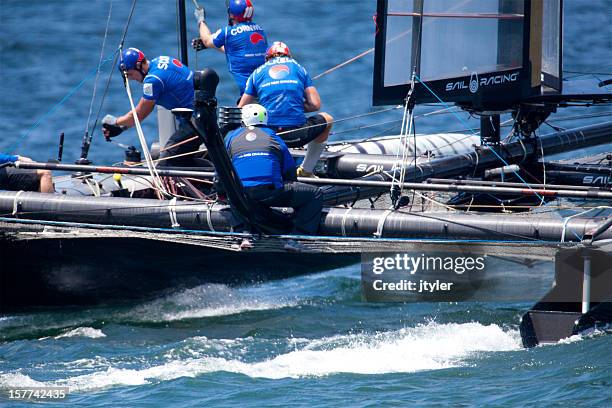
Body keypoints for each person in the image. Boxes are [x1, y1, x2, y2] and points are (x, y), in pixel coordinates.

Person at [238, 41, 333, 177]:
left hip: (269, 137)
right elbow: (315, 105)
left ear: (267, 58)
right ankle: (306, 170)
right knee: (327, 119)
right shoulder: (299, 68)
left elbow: (241, 108)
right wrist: (293, 107)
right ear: (289, 56)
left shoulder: (257, 73)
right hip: (298, 135)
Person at [225, 104, 323, 235]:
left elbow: (223, 168)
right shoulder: (274, 137)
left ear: (243, 120)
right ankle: (298, 237)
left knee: (233, 193)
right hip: (271, 192)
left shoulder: (230, 138)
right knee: (315, 194)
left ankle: (244, 233)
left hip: (241, 193)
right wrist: (291, 186)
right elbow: (289, 171)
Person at [102, 47, 198, 167]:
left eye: (131, 74)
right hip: (200, 116)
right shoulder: (159, 60)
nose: (132, 79)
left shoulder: (153, 80)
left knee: (166, 165)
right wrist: (122, 127)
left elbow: (139, 115)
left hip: (194, 124)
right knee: (180, 159)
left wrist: (115, 122)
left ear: (139, 65)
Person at [193, 0, 268, 96]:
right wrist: (212, 46)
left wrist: (201, 20)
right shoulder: (260, 30)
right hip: (263, 89)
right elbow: (236, 51)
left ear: (232, 15)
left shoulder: (228, 32)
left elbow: (206, 40)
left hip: (247, 94)